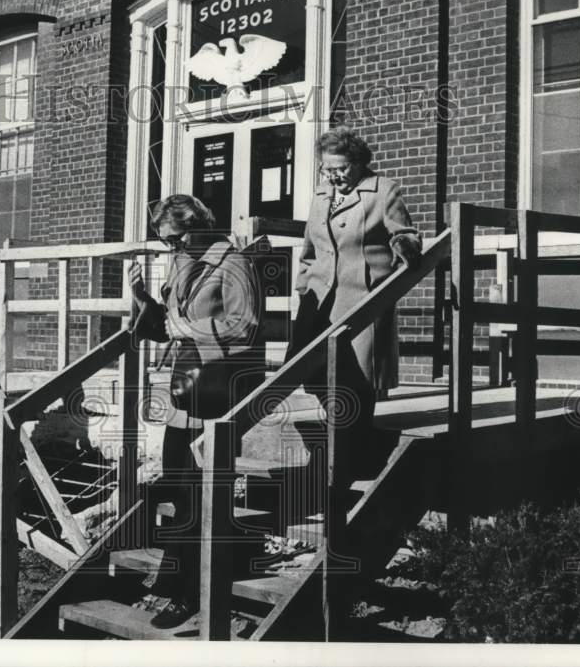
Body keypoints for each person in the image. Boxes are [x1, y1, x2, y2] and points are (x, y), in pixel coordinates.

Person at [128, 194, 264, 629]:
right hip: (184, 388)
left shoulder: (233, 262)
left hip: (218, 389)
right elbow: (164, 327)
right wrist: (140, 297)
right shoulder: (182, 259)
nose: (173, 246)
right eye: (166, 241)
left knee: (197, 492)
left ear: (201, 223)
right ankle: (187, 575)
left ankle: (186, 592)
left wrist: (189, 328)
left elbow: (246, 325)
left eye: (178, 236)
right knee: (178, 485)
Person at [288, 126, 422, 478]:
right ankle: (341, 445)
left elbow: (404, 233)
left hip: (361, 300)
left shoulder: (383, 190)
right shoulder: (321, 195)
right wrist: (302, 287)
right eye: (327, 169)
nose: (334, 176)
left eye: (342, 168)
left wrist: (404, 246)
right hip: (319, 300)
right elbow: (309, 250)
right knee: (310, 371)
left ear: (360, 162)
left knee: (356, 381)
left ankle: (350, 460)